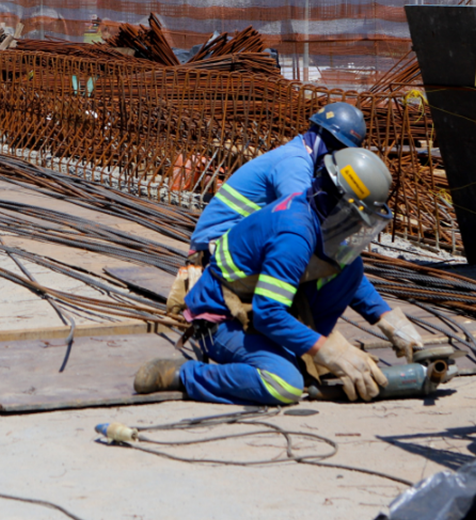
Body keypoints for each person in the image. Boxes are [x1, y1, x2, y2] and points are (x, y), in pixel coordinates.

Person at [135, 147, 424, 405]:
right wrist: (330, 351)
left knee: (350, 267)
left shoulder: (315, 214)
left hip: (256, 308)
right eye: (356, 218)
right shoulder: (294, 235)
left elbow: (346, 271)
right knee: (284, 385)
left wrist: (388, 320)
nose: (357, 229)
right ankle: (186, 375)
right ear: (339, 205)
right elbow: (268, 314)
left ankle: (303, 352)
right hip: (221, 318)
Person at [187, 102, 366, 254]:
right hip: (213, 246)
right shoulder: (294, 163)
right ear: (321, 136)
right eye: (334, 146)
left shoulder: (300, 156)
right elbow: (303, 219)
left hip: (230, 239)